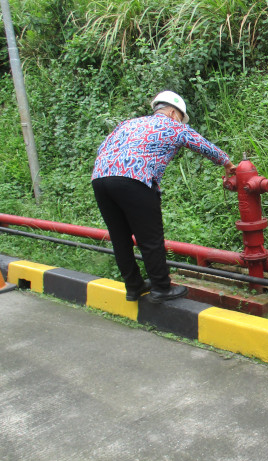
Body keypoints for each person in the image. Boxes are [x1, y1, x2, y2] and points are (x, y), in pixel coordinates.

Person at [91, 91, 236, 303]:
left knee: (120, 237)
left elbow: (101, 148)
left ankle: (133, 287)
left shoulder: (126, 124)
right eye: (179, 115)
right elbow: (203, 145)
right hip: (134, 178)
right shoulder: (174, 126)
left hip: (101, 179)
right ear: (172, 111)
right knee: (150, 238)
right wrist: (227, 163)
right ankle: (161, 288)